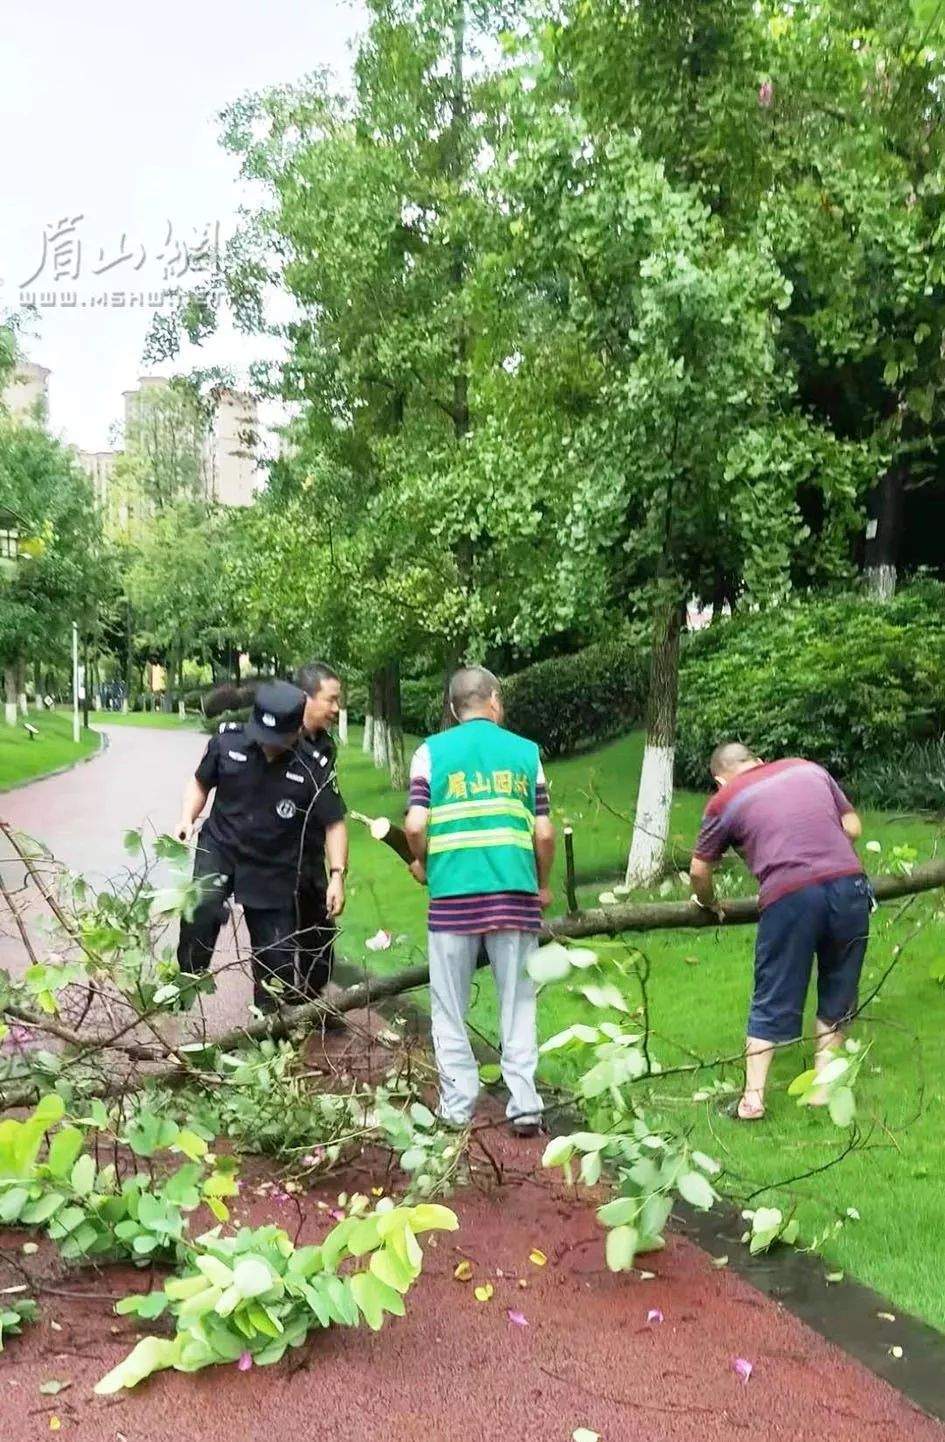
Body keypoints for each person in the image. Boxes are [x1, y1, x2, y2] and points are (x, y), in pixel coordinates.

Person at [404, 666, 556, 1135]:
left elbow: (413, 824)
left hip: (452, 899)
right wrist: (542, 884)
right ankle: (526, 1106)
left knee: (449, 1008)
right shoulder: (526, 754)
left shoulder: (430, 752)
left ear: (453, 707)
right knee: (519, 1004)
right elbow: (544, 831)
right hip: (514, 896)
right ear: (493, 699)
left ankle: (457, 1107)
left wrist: (421, 863)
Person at [689, 743, 870, 1122]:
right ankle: (824, 1087)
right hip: (849, 884)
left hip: (790, 895)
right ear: (757, 760)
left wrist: (708, 902)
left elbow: (699, 871)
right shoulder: (807, 769)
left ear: (720, 778)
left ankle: (752, 1100)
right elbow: (852, 826)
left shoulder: (725, 800)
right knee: (839, 987)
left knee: (773, 990)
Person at [175, 679, 344, 1011]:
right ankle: (183, 986)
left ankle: (267, 1032)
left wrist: (337, 874)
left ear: (296, 729)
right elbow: (199, 783)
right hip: (221, 848)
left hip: (274, 866)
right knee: (202, 907)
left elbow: (334, 822)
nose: (268, 747)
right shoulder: (227, 743)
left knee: (276, 960)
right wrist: (186, 818)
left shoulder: (312, 766)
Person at [294, 661, 349, 997]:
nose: (336, 708)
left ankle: (312, 1012)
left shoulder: (325, 746)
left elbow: (333, 815)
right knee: (278, 953)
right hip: (277, 863)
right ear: (306, 698)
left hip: (311, 860)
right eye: (330, 699)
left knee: (320, 946)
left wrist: (337, 875)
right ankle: (276, 1024)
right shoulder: (275, 740)